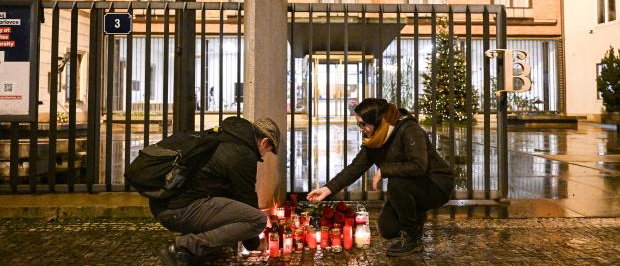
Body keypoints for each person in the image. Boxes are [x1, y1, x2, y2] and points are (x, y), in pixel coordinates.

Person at [307, 98, 454, 256]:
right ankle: (416, 214)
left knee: (397, 183)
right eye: (358, 124)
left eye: (363, 124)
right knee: (388, 228)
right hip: (413, 185)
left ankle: (413, 239)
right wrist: (328, 188)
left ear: (376, 121)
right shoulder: (376, 139)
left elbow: (419, 166)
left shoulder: (409, 129)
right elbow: (355, 167)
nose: (360, 129)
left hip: (436, 184)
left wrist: (384, 170)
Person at [152, 116, 281, 266]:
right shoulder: (244, 154)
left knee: (232, 208)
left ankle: (200, 247)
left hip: (163, 205)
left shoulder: (226, 137)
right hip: (177, 210)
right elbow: (247, 201)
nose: (264, 155)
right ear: (264, 141)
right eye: (267, 151)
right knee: (257, 220)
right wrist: (254, 244)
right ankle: (182, 247)